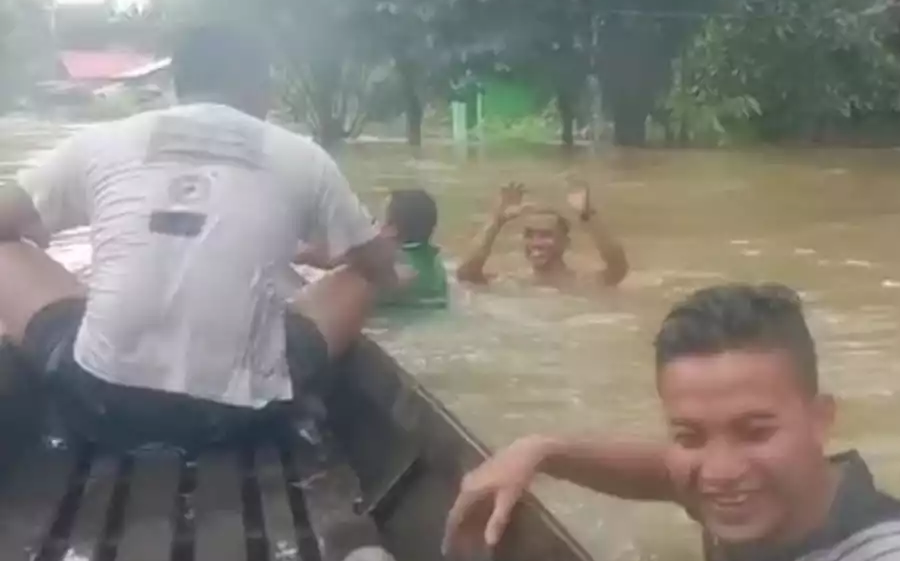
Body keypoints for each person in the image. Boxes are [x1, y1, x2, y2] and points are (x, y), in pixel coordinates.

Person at [444, 284, 900, 561]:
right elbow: (660, 474)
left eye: (755, 431)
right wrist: (542, 451)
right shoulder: (748, 496)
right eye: (690, 436)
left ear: (821, 421)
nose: (718, 471)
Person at [0, 23, 400, 451]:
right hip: (243, 419)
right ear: (261, 88)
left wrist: (34, 235)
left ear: (176, 84)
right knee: (366, 275)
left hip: (99, 403)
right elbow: (376, 264)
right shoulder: (304, 157)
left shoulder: (101, 141)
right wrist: (381, 270)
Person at [455, 180, 628, 289]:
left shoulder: (584, 282)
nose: (535, 243)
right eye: (529, 235)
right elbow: (466, 274)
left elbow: (618, 266)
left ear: (565, 243)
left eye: (546, 235)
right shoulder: (511, 282)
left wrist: (588, 215)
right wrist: (496, 221)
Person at [299, 188, 449, 312]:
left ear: (391, 230)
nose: (373, 225)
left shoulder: (381, 262)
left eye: (376, 220)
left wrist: (295, 253)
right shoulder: (437, 264)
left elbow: (332, 258)